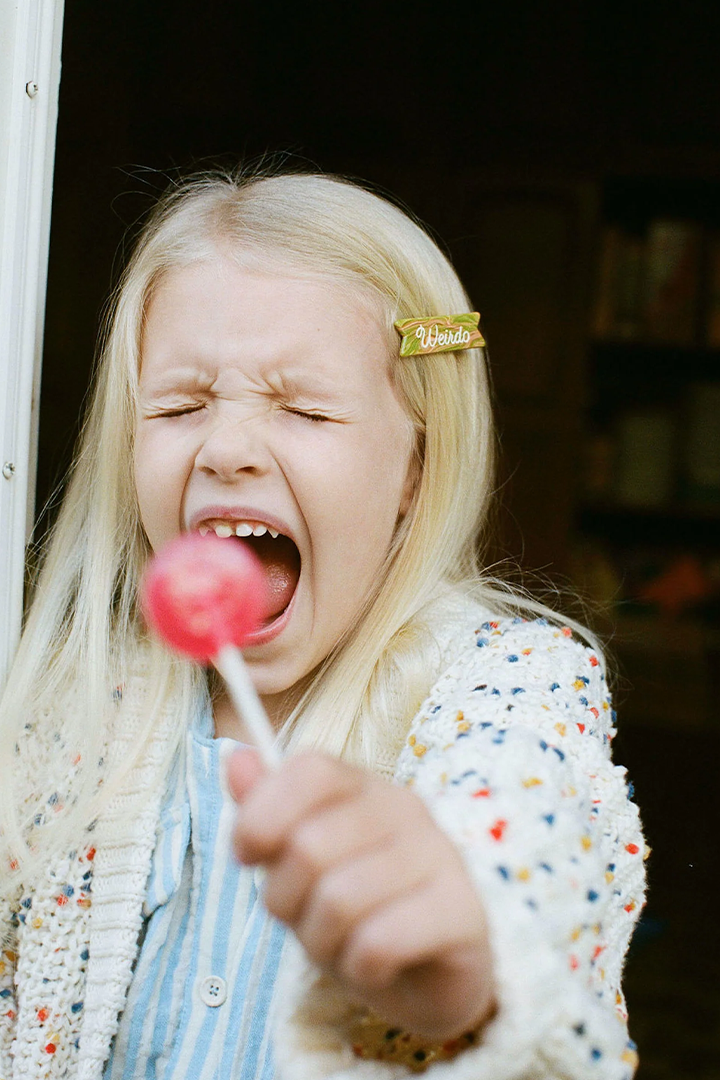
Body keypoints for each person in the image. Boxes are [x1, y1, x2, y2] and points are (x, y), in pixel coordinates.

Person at [0, 169, 645, 1080]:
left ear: (416, 468)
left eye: (303, 409)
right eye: (180, 407)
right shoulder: (62, 704)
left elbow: (526, 838)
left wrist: (469, 948)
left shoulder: (517, 680)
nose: (224, 449)